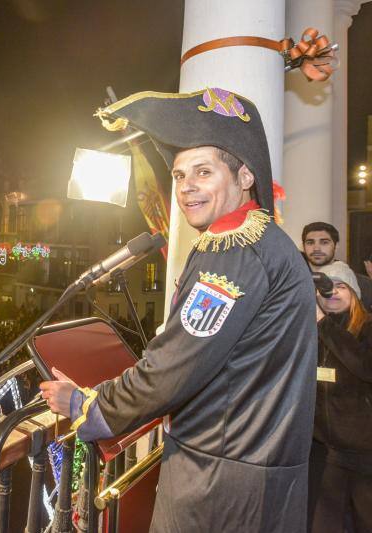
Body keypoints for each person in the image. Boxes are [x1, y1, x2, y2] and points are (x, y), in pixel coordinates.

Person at [40, 88, 316, 532]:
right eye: (181, 174)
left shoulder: (233, 250)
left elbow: (174, 369)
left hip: (218, 484)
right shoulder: (264, 243)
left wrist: (86, 405)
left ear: (245, 177)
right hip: (255, 472)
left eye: (203, 172)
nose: (186, 186)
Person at [308, 262, 372, 532]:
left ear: (355, 293)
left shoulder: (367, 327)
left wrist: (323, 325)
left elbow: (364, 367)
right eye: (325, 287)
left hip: (365, 453)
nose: (331, 292)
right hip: (325, 452)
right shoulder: (310, 331)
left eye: (341, 286)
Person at [302, 221, 372, 310]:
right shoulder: (294, 282)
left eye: (324, 242)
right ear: (303, 246)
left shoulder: (362, 283)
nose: (316, 248)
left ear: (336, 245)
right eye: (310, 242)